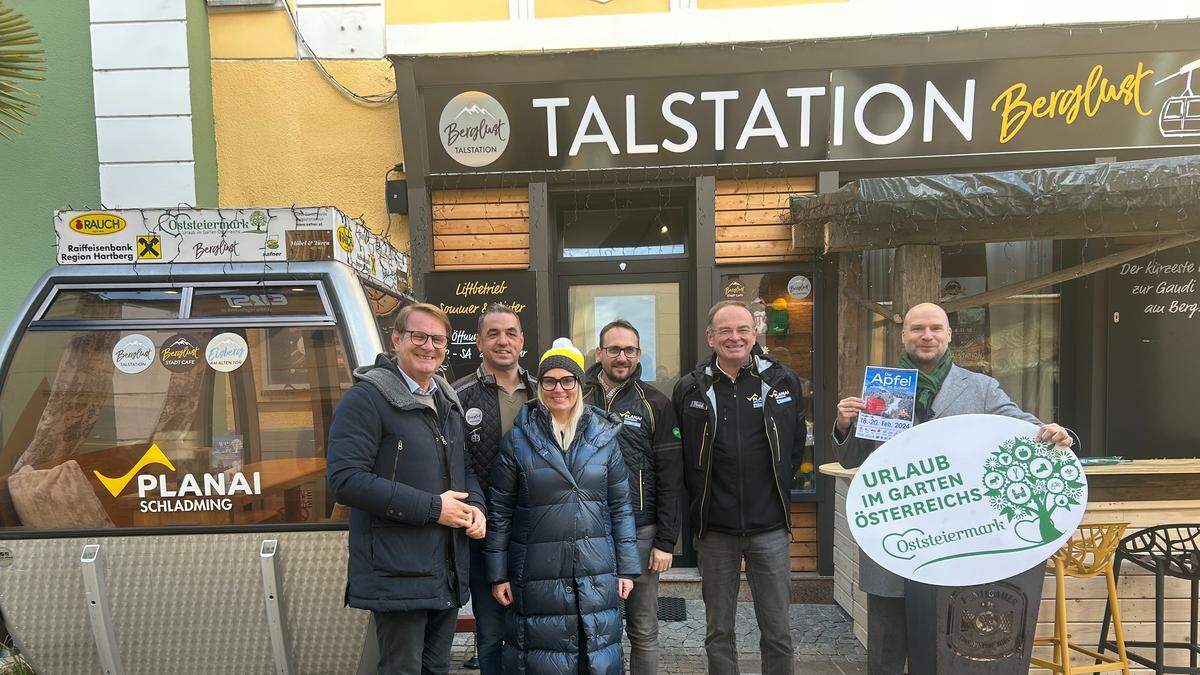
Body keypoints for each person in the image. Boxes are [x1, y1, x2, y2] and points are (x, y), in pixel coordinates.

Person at [833, 302, 1072, 674]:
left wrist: (1057, 433)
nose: (926, 336)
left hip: (955, 543)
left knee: (946, 647)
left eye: (934, 328)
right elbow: (853, 461)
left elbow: (1023, 428)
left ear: (948, 335)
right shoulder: (882, 389)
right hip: (893, 534)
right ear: (903, 336)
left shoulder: (981, 388)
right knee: (887, 648)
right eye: (917, 329)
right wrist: (845, 425)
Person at [327, 302, 486, 675]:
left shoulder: (446, 400)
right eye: (419, 336)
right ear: (396, 339)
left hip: (443, 571)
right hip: (397, 573)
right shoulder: (366, 400)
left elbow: (463, 468)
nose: (429, 346)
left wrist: (476, 506)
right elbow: (346, 481)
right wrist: (434, 508)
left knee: (435, 669)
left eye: (438, 339)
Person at [485, 337, 641, 674]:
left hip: (596, 569)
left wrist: (627, 568)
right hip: (537, 574)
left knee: (593, 659)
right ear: (539, 386)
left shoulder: (604, 437)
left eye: (567, 379)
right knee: (544, 661)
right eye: (550, 380)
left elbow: (621, 507)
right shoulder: (518, 439)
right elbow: (500, 512)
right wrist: (498, 575)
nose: (559, 388)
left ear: (580, 385)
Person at [673, 301, 807, 675]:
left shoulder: (782, 381)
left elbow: (794, 448)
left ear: (755, 333)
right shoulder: (691, 387)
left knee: (778, 631)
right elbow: (684, 457)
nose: (735, 337)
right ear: (710, 337)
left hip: (770, 529)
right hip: (715, 530)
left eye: (743, 329)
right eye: (726, 331)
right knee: (718, 631)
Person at [582, 319, 683, 675]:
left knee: (642, 628)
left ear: (639, 354)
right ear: (599, 353)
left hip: (641, 532)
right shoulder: (576, 395)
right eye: (614, 349)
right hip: (589, 533)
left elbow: (672, 478)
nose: (621, 357)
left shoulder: (655, 402)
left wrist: (666, 542)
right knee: (593, 630)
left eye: (629, 350)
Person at [453, 303, 536, 674]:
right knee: (490, 632)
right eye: (493, 334)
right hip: (484, 532)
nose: (503, 341)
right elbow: (455, 465)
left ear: (522, 340)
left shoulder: (542, 392)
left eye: (511, 333)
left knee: (535, 629)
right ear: (478, 342)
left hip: (537, 531)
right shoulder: (458, 396)